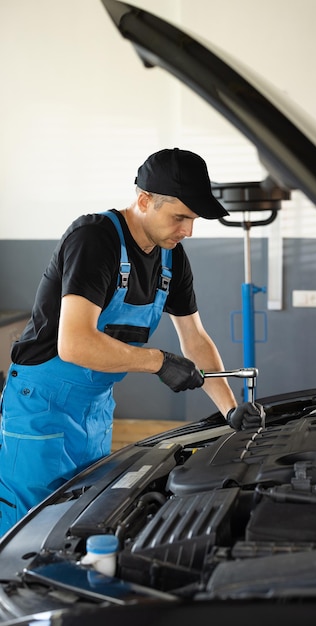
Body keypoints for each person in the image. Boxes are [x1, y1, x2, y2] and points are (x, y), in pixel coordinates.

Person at [0, 147, 265, 536]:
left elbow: (194, 338)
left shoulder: (171, 258)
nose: (187, 231)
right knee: (25, 527)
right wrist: (157, 361)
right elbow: (73, 344)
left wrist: (230, 410)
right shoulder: (94, 239)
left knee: (78, 519)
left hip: (94, 407)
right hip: (41, 405)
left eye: (192, 220)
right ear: (144, 200)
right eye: (180, 218)